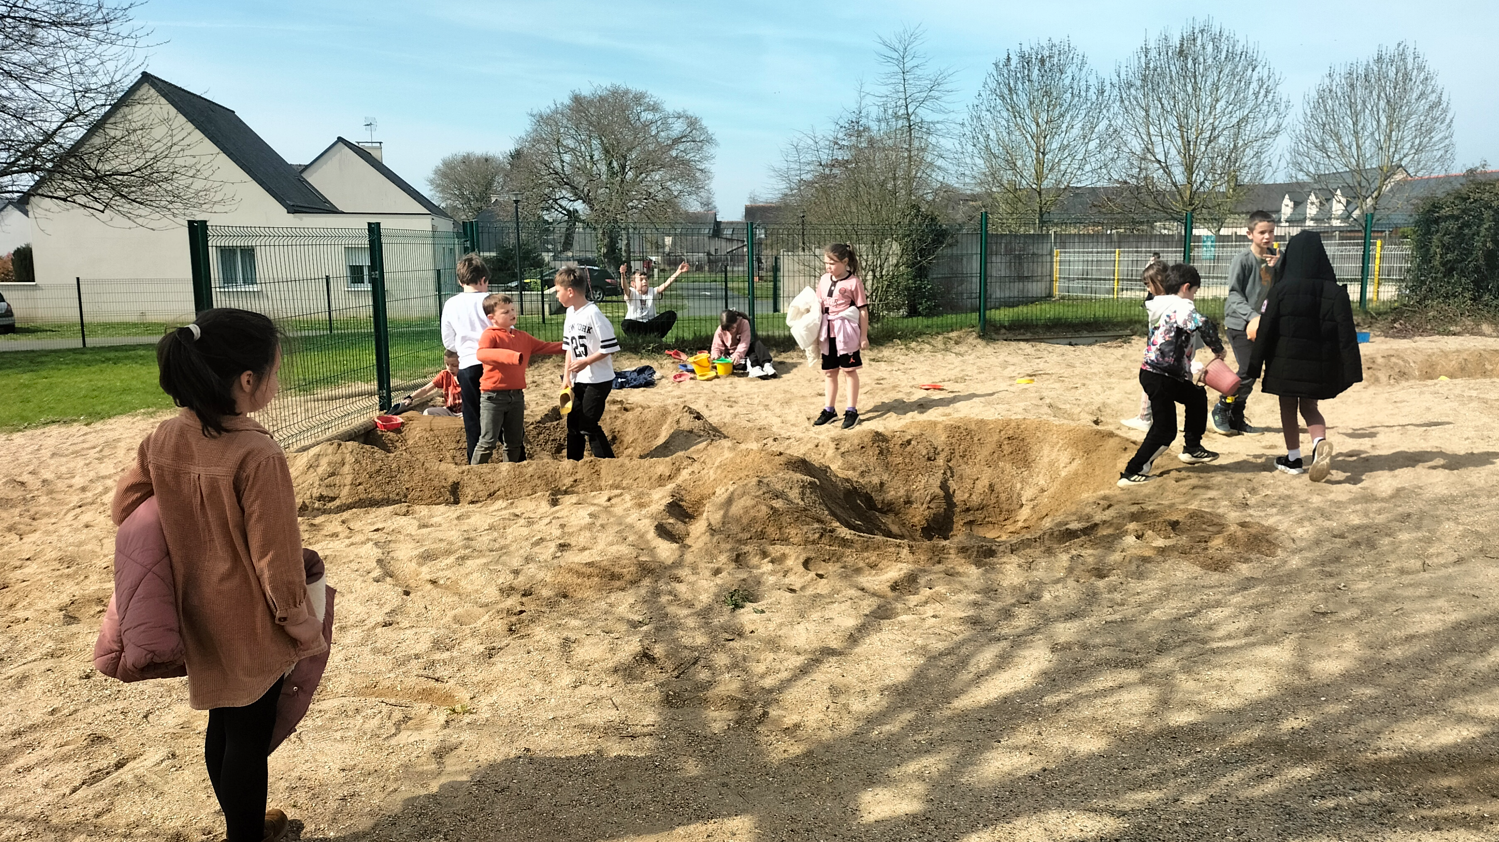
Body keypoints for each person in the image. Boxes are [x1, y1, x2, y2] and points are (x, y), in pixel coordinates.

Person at [112, 309, 325, 842]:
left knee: (222, 724)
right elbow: (276, 558)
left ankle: (242, 825)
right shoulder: (257, 454)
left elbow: (127, 506)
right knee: (249, 738)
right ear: (248, 381)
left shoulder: (162, 438)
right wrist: (301, 625)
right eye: (274, 372)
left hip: (194, 608)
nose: (276, 382)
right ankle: (246, 834)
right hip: (249, 619)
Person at [1247, 230, 1363, 482]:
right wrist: (1352, 369)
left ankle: (1293, 458)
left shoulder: (1280, 290)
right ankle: (1319, 442)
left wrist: (1254, 366)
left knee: (1287, 407)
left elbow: (1266, 329)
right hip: (1318, 365)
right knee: (1310, 406)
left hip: (1283, 364)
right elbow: (1347, 334)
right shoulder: (1335, 292)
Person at [1118, 263, 1226, 487]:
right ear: (1187, 287)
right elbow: (1202, 323)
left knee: (1196, 397)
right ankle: (1132, 471)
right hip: (1161, 376)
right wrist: (1218, 349)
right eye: (1194, 291)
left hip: (1158, 374)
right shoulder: (1182, 305)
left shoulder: (1159, 304)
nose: (1194, 297)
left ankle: (1192, 448)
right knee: (1164, 430)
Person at [471, 293, 565, 465]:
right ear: (492, 318)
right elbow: (481, 353)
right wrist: (512, 357)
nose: (512, 313)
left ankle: (511, 474)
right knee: (488, 442)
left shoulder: (522, 336)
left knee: (514, 442)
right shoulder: (490, 335)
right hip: (493, 397)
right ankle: (472, 475)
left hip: (516, 396)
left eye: (512, 309)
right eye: (505, 312)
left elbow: (546, 346)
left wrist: (570, 345)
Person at [1213, 210, 1280, 435]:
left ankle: (1237, 418)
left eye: (1271, 231)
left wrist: (1280, 267)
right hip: (1239, 322)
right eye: (1262, 232)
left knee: (1254, 372)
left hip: (1262, 323)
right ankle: (1222, 407)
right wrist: (1253, 317)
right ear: (1249, 233)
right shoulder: (1242, 260)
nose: (1267, 236)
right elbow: (1234, 294)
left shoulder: (1276, 258)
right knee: (1247, 369)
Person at [556, 267, 619, 460]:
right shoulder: (570, 314)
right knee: (573, 423)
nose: (556, 295)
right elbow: (569, 348)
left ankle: (609, 464)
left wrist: (586, 362)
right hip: (578, 379)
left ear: (570, 291)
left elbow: (610, 347)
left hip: (598, 380)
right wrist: (567, 376)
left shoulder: (593, 314)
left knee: (587, 424)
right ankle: (572, 463)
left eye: (558, 290)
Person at [813, 243, 870, 429]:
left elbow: (862, 310)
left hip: (846, 333)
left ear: (845, 262)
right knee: (830, 372)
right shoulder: (823, 280)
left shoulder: (854, 283)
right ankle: (829, 410)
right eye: (826, 263)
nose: (828, 266)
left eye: (832, 263)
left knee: (849, 371)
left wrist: (863, 336)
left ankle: (851, 410)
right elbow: (817, 307)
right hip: (827, 332)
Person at [441, 253, 491, 461]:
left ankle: (475, 461)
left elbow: (448, 341)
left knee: (472, 416)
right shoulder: (493, 301)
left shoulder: (451, 304)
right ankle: (515, 458)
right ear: (483, 280)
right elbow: (509, 332)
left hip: (469, 365)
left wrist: (464, 350)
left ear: (460, 281)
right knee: (505, 411)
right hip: (496, 365)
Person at [1121, 261, 1171, 432]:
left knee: (1152, 380)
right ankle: (1147, 416)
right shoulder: (1172, 300)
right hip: (1165, 349)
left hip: (1163, 351)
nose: (1148, 289)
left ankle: (1145, 417)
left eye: (1149, 284)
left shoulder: (1161, 303)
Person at [621, 261, 690, 339]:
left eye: (646, 280)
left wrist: (678, 272)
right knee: (626, 324)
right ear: (633, 284)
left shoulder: (652, 291)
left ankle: (655, 338)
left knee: (671, 315)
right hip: (636, 323)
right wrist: (623, 275)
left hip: (651, 323)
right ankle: (641, 339)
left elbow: (665, 285)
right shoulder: (631, 292)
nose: (644, 282)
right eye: (641, 280)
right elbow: (625, 288)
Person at [392, 350, 463, 416]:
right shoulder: (445, 375)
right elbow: (426, 389)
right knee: (427, 412)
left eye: (454, 365)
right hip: (449, 411)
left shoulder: (468, 377)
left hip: (466, 412)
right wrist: (410, 398)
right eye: (447, 364)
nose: (450, 368)